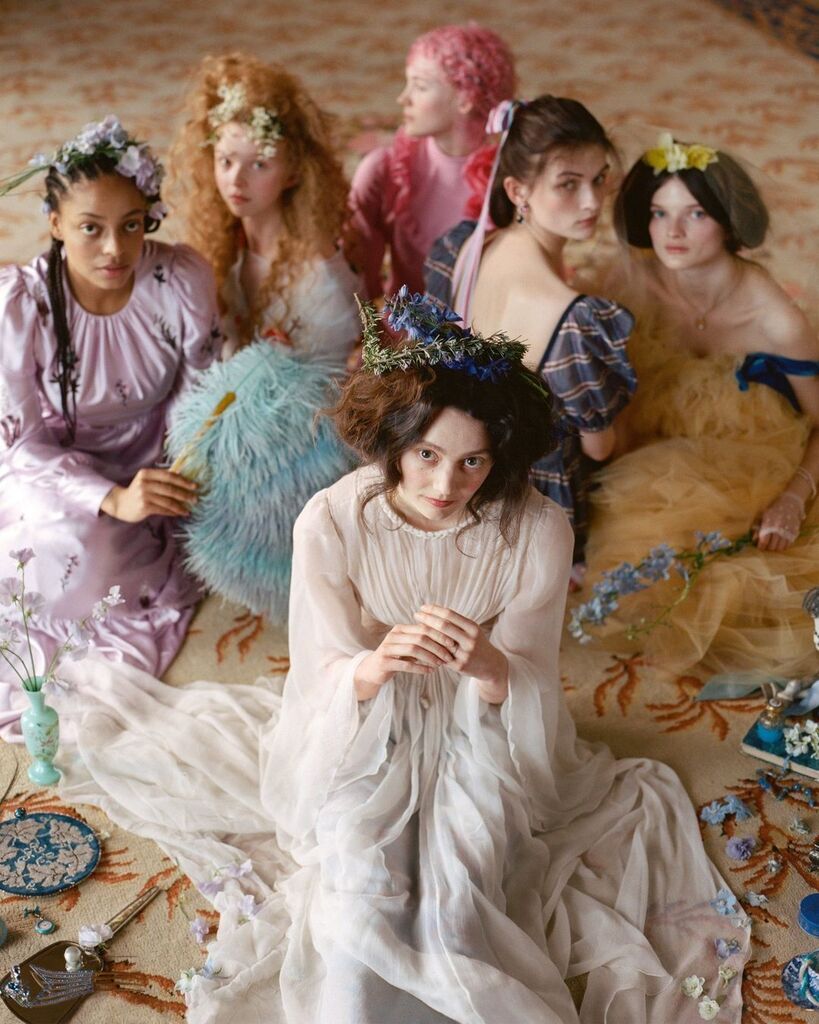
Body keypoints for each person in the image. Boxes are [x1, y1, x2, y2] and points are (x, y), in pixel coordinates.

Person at [58, 294, 747, 1024]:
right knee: (357, 883)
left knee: (465, 883)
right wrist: (375, 665)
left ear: (500, 454)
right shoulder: (332, 520)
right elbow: (320, 665)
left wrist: (487, 664)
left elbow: (532, 675)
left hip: (483, 724)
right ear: (392, 441)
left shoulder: (538, 530)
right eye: (425, 455)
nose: (445, 486)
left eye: (472, 461)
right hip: (363, 721)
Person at [0, 115, 219, 725]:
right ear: (55, 224)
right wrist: (110, 498)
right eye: (90, 228)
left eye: (131, 225)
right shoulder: (21, 303)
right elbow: (23, 443)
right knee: (62, 552)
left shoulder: (179, 279)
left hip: (157, 459)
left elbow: (198, 394)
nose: (115, 250)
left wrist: (177, 471)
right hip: (54, 469)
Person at [582, 133, 819, 677]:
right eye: (659, 213)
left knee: (744, 592)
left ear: (729, 223)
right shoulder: (633, 279)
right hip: (653, 444)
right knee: (635, 547)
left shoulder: (777, 320)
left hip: (750, 454)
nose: (673, 232)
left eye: (695, 214)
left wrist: (793, 498)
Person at [164, 53, 361, 620]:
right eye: (226, 160)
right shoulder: (222, 249)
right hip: (250, 401)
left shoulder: (316, 271)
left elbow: (336, 379)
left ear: (294, 172)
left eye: (259, 164)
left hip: (314, 425)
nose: (236, 179)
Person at [425, 96, 636, 559]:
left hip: (455, 475)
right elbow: (600, 449)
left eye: (599, 178)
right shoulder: (574, 318)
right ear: (518, 191)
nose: (592, 201)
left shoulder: (464, 248)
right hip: (532, 505)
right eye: (568, 184)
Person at [348, 23, 515, 299]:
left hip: (489, 324)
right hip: (405, 324)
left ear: (466, 98)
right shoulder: (385, 168)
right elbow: (358, 277)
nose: (403, 98)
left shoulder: (512, 178)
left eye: (420, 86)